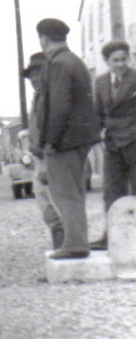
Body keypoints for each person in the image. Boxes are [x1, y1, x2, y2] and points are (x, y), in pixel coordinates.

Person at [30, 18, 100, 259]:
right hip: (76, 138)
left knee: (64, 193)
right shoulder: (73, 60)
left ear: (44, 38)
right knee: (73, 191)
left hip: (65, 141)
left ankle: (75, 245)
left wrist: (50, 141)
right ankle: (77, 241)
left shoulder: (58, 63)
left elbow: (59, 105)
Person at [92, 40, 136, 250]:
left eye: (123, 59)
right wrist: (100, 132)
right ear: (107, 62)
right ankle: (110, 236)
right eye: (115, 60)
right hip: (112, 145)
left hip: (134, 142)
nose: (120, 64)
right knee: (111, 191)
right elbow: (98, 112)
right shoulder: (100, 82)